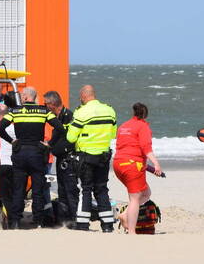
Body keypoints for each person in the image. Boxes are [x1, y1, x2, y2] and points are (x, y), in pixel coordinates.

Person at [0, 86, 61, 228]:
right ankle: (38, 221)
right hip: (37, 154)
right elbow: (60, 128)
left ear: (25, 97)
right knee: (37, 190)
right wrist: (49, 144)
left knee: (19, 189)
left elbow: (0, 128)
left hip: (20, 153)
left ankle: (16, 222)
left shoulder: (15, 111)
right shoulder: (44, 111)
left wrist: (12, 141)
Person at [65, 85, 118, 232]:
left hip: (86, 157)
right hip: (104, 156)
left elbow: (70, 137)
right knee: (102, 189)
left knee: (86, 189)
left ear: (83, 96)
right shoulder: (110, 110)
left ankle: (83, 224)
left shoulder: (81, 112)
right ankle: (107, 225)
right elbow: (113, 134)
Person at [113, 102, 163, 234]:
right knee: (135, 198)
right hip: (131, 165)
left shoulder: (123, 126)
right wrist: (156, 164)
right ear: (145, 115)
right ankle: (131, 231)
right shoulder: (143, 126)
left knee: (146, 193)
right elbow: (146, 147)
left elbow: (122, 146)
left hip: (118, 164)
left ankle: (125, 215)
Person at [44, 90, 78, 228]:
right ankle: (63, 220)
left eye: (45, 104)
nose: (44, 106)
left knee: (70, 190)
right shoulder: (57, 118)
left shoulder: (68, 116)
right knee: (62, 190)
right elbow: (56, 138)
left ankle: (74, 220)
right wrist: (49, 145)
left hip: (69, 160)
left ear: (52, 104)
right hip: (61, 159)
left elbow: (70, 140)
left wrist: (52, 148)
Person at [0, 100, 15, 227]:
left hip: (2, 164)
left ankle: (7, 218)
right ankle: (12, 219)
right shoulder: (15, 128)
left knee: (4, 196)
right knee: (13, 194)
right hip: (14, 165)